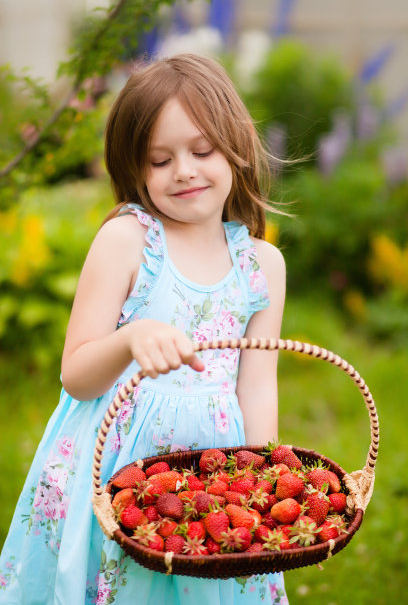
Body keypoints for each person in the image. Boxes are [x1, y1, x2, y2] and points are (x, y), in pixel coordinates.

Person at [0, 53, 288, 604]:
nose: (183, 169)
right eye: (159, 160)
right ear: (135, 169)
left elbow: (257, 383)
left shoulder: (261, 266)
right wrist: (130, 338)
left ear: (236, 149)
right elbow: (77, 375)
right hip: (117, 465)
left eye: (202, 151)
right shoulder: (128, 241)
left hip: (212, 469)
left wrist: (258, 485)